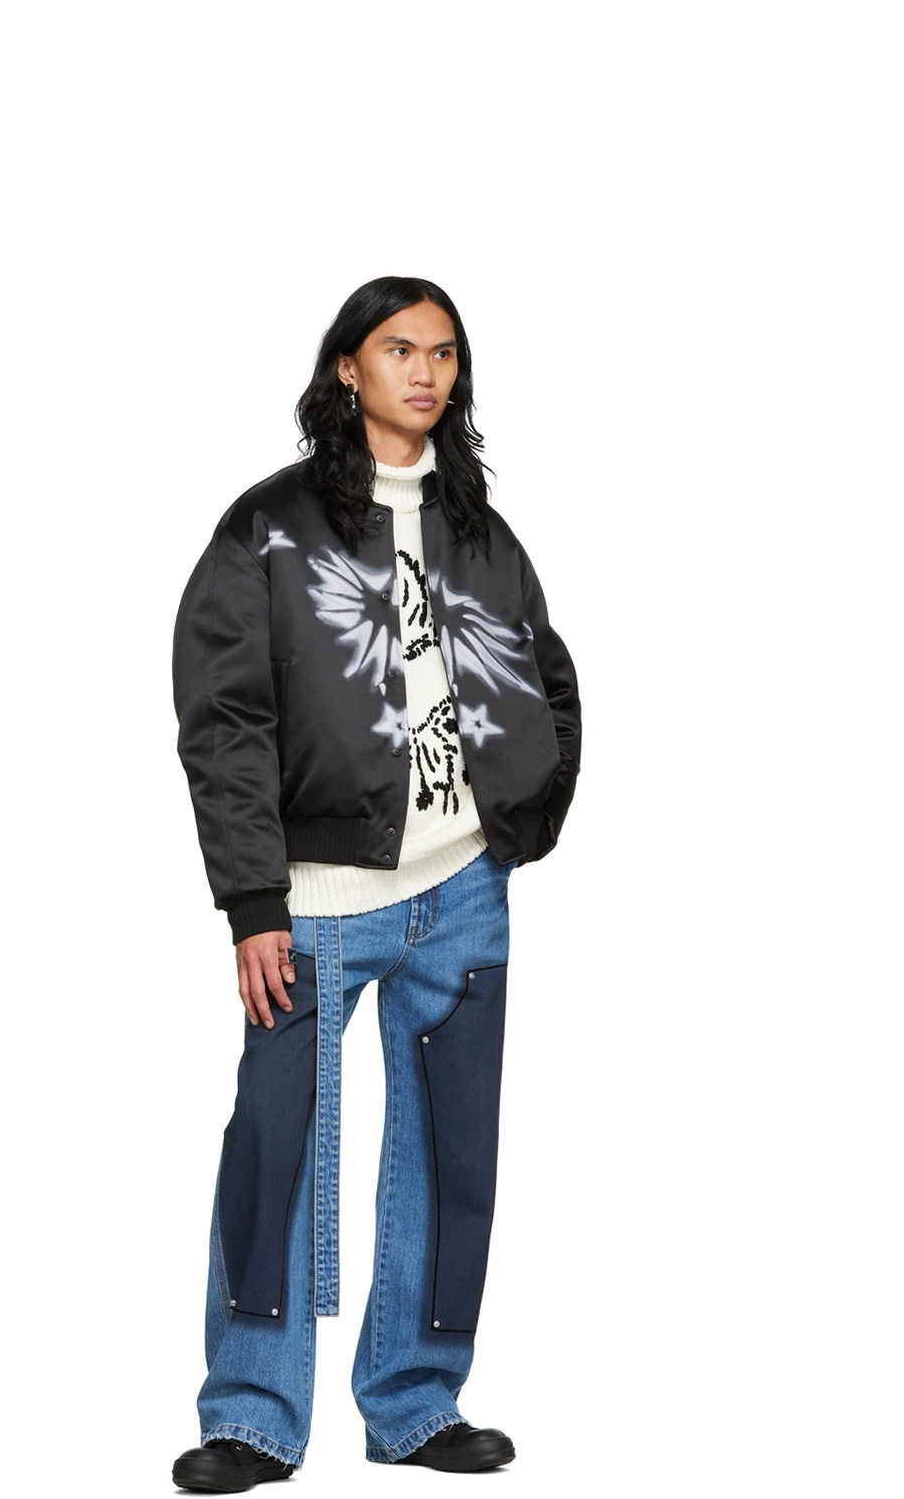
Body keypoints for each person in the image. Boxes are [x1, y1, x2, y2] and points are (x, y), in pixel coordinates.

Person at [169, 276, 582, 1490]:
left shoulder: (480, 529)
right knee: (274, 1148)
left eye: (444, 353)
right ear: (347, 367)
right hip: (313, 902)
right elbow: (225, 717)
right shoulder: (270, 526)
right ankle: (252, 1415)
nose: (425, 372)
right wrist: (252, 902)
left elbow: (545, 672)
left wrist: (524, 815)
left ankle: (414, 1403)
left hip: (463, 893)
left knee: (451, 1155)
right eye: (399, 349)